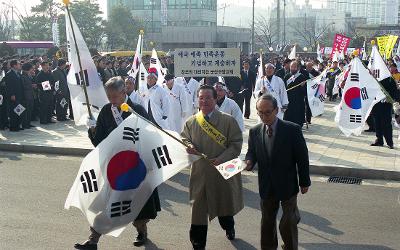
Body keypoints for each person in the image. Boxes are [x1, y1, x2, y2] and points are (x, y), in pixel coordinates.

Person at [74, 77, 161, 250]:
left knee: (137, 207)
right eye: (109, 97)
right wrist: (92, 129)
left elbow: (153, 135)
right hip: (114, 167)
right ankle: (93, 240)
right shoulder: (107, 111)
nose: (112, 101)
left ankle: (142, 231)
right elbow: (100, 141)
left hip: (136, 167)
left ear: (124, 92)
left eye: (115, 96)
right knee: (105, 203)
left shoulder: (136, 110)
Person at [181, 85, 243, 250]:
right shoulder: (191, 121)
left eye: (208, 97)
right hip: (200, 172)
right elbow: (184, 138)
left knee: (225, 206)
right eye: (201, 97)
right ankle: (198, 243)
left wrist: (221, 158)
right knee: (198, 211)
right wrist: (188, 145)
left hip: (224, 169)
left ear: (216, 99)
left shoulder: (228, 120)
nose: (204, 100)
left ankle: (229, 226)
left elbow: (236, 144)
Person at [245, 94, 311, 250]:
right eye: (260, 112)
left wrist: (304, 181)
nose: (263, 116)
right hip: (266, 184)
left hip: (287, 183)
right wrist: (248, 161)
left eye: (267, 112)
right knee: (267, 221)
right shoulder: (254, 131)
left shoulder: (291, 130)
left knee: (288, 222)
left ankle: (290, 246)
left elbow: (302, 158)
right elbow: (251, 152)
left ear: (276, 110)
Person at [370, 77, 400, 149]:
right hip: (375, 104)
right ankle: (379, 140)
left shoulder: (389, 78)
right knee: (377, 123)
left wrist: (390, 98)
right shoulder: (373, 77)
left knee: (386, 123)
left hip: (386, 104)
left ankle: (390, 142)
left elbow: (394, 91)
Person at [283, 61, 308, 127]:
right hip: (288, 100)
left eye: (294, 67)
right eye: (291, 67)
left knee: (297, 118)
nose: (293, 68)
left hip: (298, 100)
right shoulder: (287, 76)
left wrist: (303, 86)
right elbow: (283, 88)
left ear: (297, 68)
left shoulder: (301, 76)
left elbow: (305, 91)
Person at [4, 60, 24, 131]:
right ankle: (13, 127)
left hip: (19, 95)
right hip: (13, 96)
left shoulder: (18, 73)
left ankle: (18, 125)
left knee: (19, 110)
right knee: (13, 111)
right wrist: (12, 94)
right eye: (18, 64)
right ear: (14, 65)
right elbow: (9, 86)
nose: (20, 65)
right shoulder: (9, 74)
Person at [20, 62, 36, 129]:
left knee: (30, 110)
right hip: (26, 96)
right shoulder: (22, 76)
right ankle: (25, 124)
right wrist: (31, 86)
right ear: (28, 68)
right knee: (26, 111)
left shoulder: (28, 75)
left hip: (30, 95)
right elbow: (23, 86)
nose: (32, 69)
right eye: (31, 68)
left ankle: (28, 123)